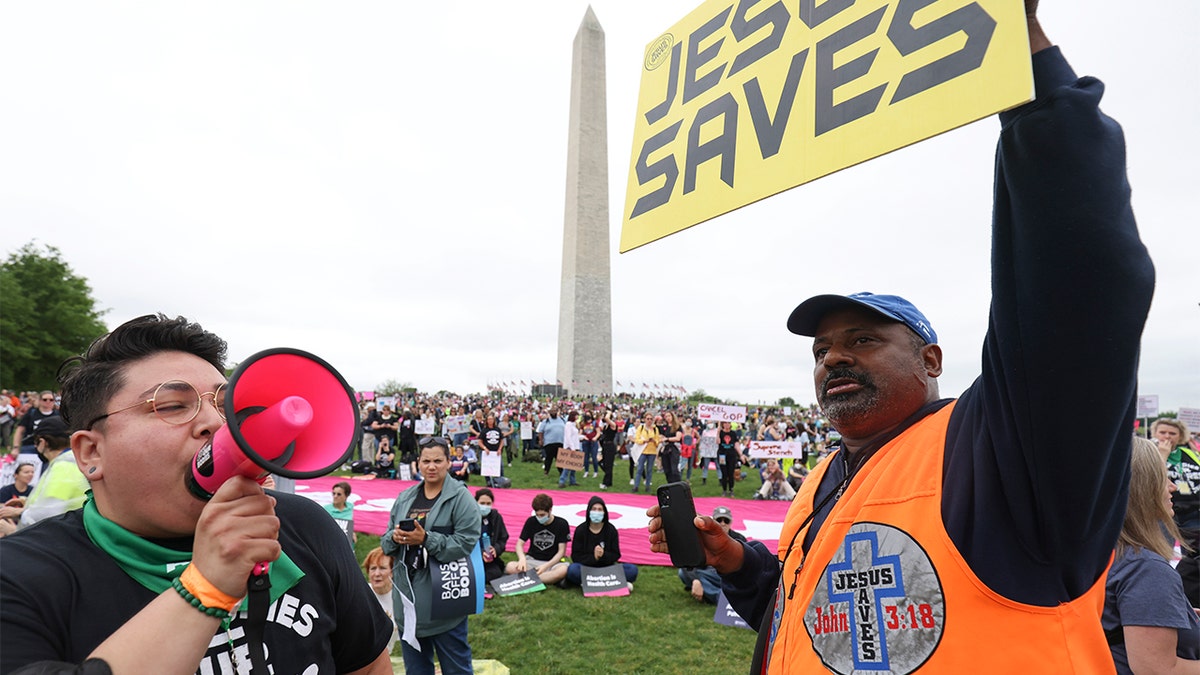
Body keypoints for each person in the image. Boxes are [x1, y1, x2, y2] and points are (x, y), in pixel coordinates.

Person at [647, 7, 1157, 671]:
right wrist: (739, 563)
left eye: (861, 338)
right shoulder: (827, 474)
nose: (833, 356)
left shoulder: (1002, 457)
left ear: (932, 358)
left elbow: (1078, 279)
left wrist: (1027, 65)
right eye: (821, 349)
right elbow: (816, 626)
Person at [0, 313, 393, 674]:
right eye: (171, 405)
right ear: (91, 452)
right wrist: (205, 587)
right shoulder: (19, 576)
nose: (215, 423)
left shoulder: (303, 526)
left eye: (226, 405)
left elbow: (368, 665)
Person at [381, 436, 481, 675]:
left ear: (449, 462)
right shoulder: (405, 498)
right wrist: (395, 538)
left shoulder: (461, 498)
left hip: (446, 602)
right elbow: (385, 542)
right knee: (415, 670)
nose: (431, 466)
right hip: (408, 602)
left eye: (438, 460)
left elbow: (466, 542)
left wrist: (426, 539)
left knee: (456, 668)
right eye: (426, 461)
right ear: (419, 463)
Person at [1102, 436, 1199, 674]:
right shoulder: (1145, 568)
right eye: (1164, 477)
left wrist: (1179, 611)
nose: (1173, 486)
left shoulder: (1104, 552)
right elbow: (1157, 669)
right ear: (1144, 489)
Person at [15, 415, 89, 529]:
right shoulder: (74, 462)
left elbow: (47, 516)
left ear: (43, 442)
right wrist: (26, 502)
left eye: (36, 442)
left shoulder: (63, 467)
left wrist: (17, 519)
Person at [565, 495, 638, 589]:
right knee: (573, 570)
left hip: (607, 568)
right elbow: (576, 556)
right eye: (594, 509)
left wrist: (603, 555)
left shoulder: (611, 530)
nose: (597, 512)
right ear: (588, 511)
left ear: (604, 512)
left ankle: (589, 582)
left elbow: (616, 555)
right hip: (587, 568)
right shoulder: (581, 530)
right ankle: (615, 582)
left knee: (632, 570)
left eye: (600, 509)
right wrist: (593, 558)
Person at [678, 506, 747, 604]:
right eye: (719, 520)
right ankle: (719, 595)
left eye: (726, 521)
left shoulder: (739, 539)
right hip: (709, 572)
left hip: (731, 574)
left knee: (694, 575)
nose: (723, 523)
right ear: (713, 522)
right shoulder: (703, 538)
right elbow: (688, 561)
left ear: (731, 522)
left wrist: (696, 579)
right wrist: (696, 580)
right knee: (684, 573)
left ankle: (711, 592)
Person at [505, 492, 569, 586]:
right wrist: (522, 558)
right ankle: (546, 579)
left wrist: (546, 566)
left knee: (563, 570)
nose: (539, 517)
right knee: (510, 566)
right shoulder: (531, 521)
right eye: (537, 514)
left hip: (553, 563)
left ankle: (528, 578)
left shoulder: (562, 524)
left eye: (542, 515)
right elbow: (519, 544)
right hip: (532, 560)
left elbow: (561, 552)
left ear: (550, 510)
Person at [363, 547, 400, 656]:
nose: (377, 574)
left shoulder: (402, 598)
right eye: (373, 568)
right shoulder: (361, 594)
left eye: (382, 568)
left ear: (392, 571)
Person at [476, 487, 510, 583]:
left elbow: (503, 538)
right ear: (475, 502)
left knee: (495, 573)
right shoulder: (469, 517)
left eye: (488, 504)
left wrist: (496, 549)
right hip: (473, 558)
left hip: (490, 559)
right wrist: (480, 552)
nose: (485, 506)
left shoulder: (496, 517)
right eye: (482, 503)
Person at [632, 412, 660, 493]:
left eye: (651, 419)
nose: (649, 420)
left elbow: (658, 440)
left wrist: (654, 441)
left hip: (652, 451)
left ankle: (648, 486)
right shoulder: (640, 428)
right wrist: (644, 441)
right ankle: (636, 486)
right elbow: (637, 439)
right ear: (644, 419)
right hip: (643, 451)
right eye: (647, 419)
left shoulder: (655, 429)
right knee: (640, 468)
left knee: (649, 469)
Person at [324, 480, 357, 545]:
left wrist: (352, 533)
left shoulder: (350, 507)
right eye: (334, 493)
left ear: (346, 496)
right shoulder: (326, 509)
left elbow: (348, 525)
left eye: (339, 494)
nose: (335, 496)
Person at [537, 407, 566, 476]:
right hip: (549, 442)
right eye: (551, 411)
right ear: (549, 413)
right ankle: (546, 471)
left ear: (557, 412)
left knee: (559, 459)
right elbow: (540, 431)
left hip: (560, 442)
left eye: (554, 411)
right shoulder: (546, 421)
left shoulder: (562, 420)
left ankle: (561, 472)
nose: (553, 413)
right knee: (549, 458)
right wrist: (541, 440)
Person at [716, 421, 740, 498]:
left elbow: (736, 444)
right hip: (722, 455)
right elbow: (718, 442)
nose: (727, 425)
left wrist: (740, 453)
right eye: (725, 423)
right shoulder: (721, 433)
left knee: (731, 472)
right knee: (724, 473)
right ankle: (724, 490)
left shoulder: (733, 433)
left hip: (731, 455)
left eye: (728, 423)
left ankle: (731, 489)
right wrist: (718, 432)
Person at [658, 411, 683, 485]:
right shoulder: (664, 427)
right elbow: (661, 436)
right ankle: (670, 485)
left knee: (674, 470)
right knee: (667, 470)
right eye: (666, 416)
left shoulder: (677, 426)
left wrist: (667, 439)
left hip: (674, 448)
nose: (668, 418)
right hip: (665, 449)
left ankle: (678, 485)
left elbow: (678, 438)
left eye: (669, 416)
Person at [559, 411, 580, 487]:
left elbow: (575, 436)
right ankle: (562, 481)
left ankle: (572, 481)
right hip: (570, 447)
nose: (577, 417)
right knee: (567, 465)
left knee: (574, 466)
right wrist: (572, 447)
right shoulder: (568, 424)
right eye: (576, 415)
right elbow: (568, 437)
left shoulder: (574, 425)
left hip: (576, 446)